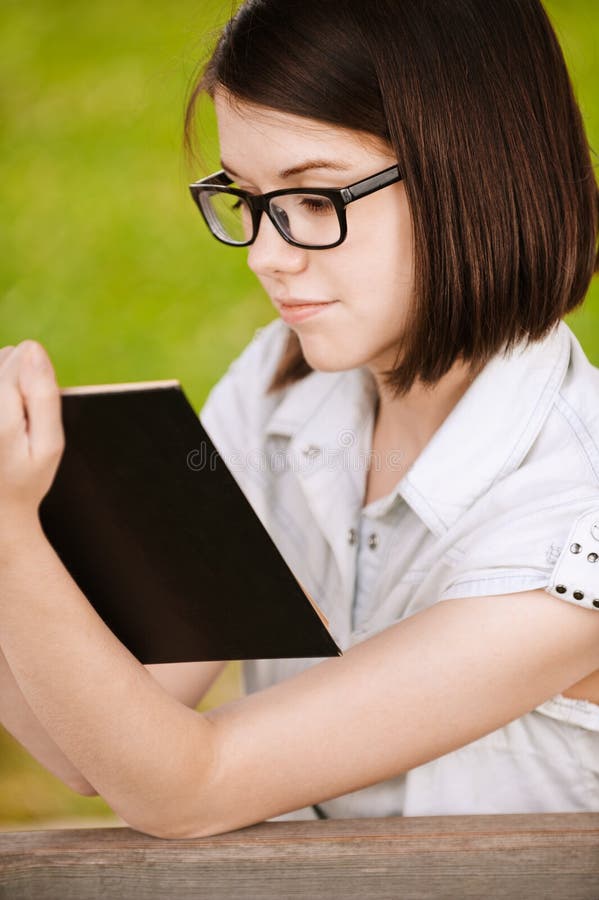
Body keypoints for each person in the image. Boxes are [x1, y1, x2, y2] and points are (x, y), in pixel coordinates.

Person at [1, 0, 599, 838]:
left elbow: (189, 786)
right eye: (246, 197)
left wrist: (10, 526)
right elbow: (91, 745)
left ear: (476, 172)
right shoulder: (282, 383)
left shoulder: (574, 520)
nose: (266, 255)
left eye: (314, 198)